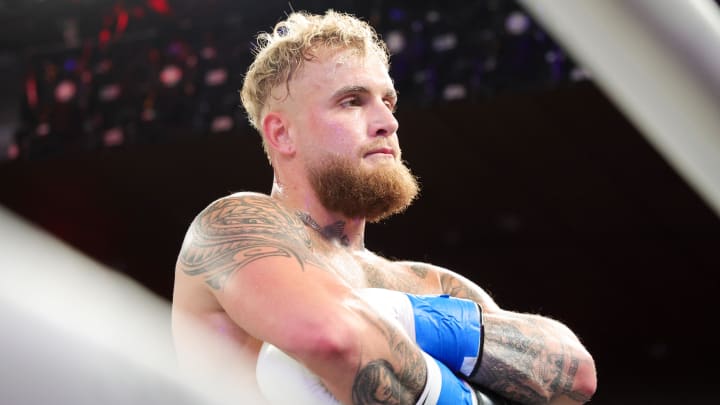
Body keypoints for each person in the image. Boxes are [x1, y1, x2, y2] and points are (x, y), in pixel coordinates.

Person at [171, 9, 596, 405]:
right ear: (282, 134)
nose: (387, 122)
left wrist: (397, 314)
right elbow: (330, 338)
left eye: (388, 101)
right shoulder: (234, 227)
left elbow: (574, 374)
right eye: (352, 101)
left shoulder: (427, 284)